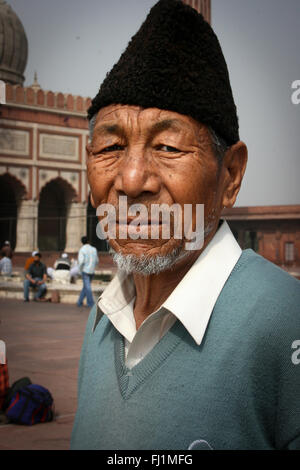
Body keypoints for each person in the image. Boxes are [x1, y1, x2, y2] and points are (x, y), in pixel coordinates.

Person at [71, 0, 300, 450]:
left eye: (169, 147)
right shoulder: (102, 322)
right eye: (110, 147)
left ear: (229, 175)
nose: (132, 181)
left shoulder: (286, 323)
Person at [76, 237, 98, 308]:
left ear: (82, 242)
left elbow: (81, 261)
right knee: (86, 287)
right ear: (88, 241)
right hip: (92, 271)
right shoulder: (94, 249)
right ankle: (79, 302)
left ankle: (90, 303)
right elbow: (97, 261)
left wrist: (79, 270)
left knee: (87, 287)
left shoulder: (82, 250)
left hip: (85, 270)